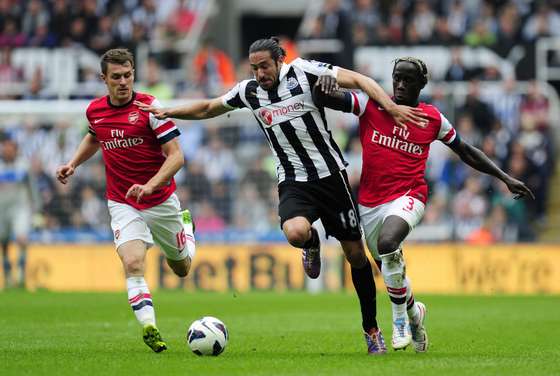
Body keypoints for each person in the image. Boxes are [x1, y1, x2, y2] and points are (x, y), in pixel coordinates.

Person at [136, 37, 426, 355]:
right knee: (295, 232)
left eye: (264, 66)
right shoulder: (249, 92)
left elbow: (359, 79)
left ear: (279, 61)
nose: (259, 73)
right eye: (254, 68)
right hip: (293, 182)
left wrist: (390, 106)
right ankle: (312, 243)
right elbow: (208, 107)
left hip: (332, 178)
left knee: (356, 256)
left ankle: (371, 330)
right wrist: (167, 111)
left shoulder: (303, 71)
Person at [313, 56, 534, 353]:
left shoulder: (432, 118)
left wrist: (505, 177)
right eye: (397, 79)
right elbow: (323, 99)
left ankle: (401, 320)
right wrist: (324, 82)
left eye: (408, 80)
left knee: (390, 242)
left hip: (410, 196)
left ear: (421, 84)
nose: (401, 85)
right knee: (391, 269)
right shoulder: (371, 105)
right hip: (369, 204)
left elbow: (466, 151)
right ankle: (416, 315)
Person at [55, 48, 196, 353]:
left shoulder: (149, 107)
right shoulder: (95, 110)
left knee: (182, 268)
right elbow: (95, 136)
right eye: (116, 77)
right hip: (122, 201)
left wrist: (150, 185)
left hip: (160, 198)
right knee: (132, 262)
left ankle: (187, 226)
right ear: (103, 79)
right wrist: (73, 163)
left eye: (128, 75)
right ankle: (150, 327)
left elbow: (176, 157)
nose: (123, 82)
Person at [0, 139, 36, 289]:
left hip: (21, 208)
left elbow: (32, 188)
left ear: (15, 150)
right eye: (5, 148)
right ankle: (7, 275)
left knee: (22, 238)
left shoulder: (24, 166)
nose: (7, 151)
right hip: (2, 209)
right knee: (4, 242)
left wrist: (37, 209)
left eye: (10, 148)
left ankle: (21, 274)